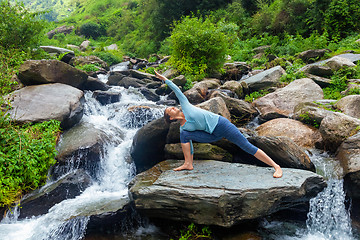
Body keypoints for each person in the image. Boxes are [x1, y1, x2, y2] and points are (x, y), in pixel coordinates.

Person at [155, 71, 283, 178]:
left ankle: (276, 166)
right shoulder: (184, 128)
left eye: (171, 107)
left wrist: (165, 79)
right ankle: (188, 163)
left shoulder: (186, 106)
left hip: (221, 125)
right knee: (184, 135)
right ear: (171, 118)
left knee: (246, 146)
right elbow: (190, 145)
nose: (172, 108)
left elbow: (177, 90)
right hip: (213, 135)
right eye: (169, 110)